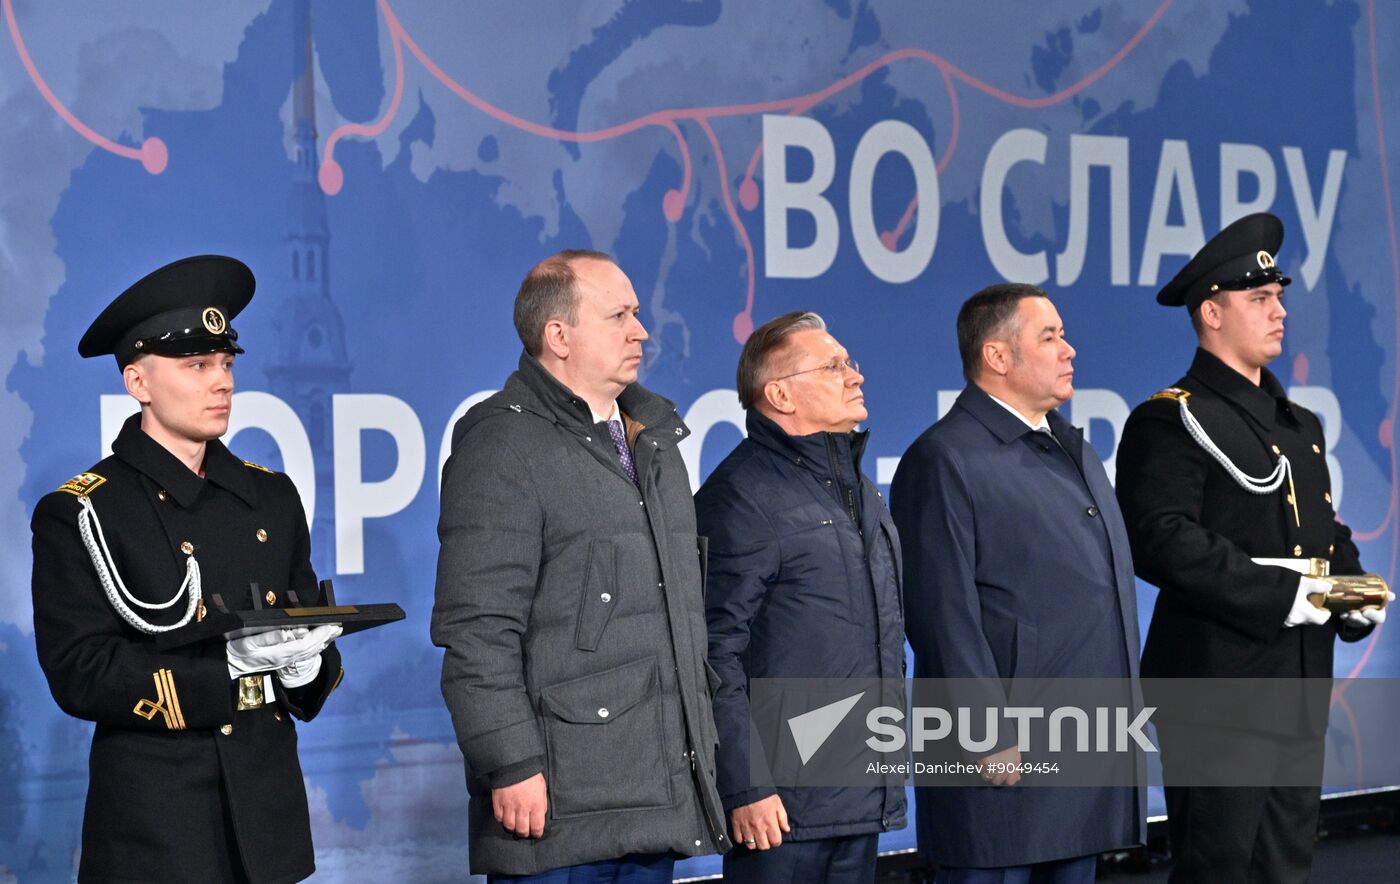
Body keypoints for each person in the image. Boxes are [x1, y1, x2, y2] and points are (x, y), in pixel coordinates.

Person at [30, 255, 344, 884]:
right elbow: (80, 674)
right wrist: (222, 671)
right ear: (137, 383)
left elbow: (308, 636)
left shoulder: (271, 496)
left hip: (269, 826)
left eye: (226, 363)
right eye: (196, 366)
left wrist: (310, 665)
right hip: (157, 831)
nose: (221, 382)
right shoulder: (84, 511)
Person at [431, 249, 728, 881]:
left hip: (656, 801)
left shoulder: (655, 439)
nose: (640, 330)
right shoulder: (502, 443)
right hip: (555, 813)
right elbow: (477, 628)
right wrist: (508, 764)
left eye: (638, 314)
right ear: (558, 336)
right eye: (619, 314)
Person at [1114, 213, 1385, 883]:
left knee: (1285, 864)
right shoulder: (1169, 417)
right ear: (1211, 312)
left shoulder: (1297, 422)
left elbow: (1323, 529)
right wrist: (1294, 596)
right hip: (1217, 685)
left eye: (1280, 296)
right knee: (1218, 866)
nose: (1279, 310)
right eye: (1259, 299)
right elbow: (1161, 539)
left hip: (1295, 683)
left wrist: (1352, 592)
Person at [890, 283, 1143, 882]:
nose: (1069, 350)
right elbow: (940, 612)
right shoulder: (944, 458)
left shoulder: (1071, 448)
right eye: (1049, 336)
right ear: (997, 357)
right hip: (1005, 759)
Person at [695, 312, 906, 884]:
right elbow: (712, 654)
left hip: (860, 794)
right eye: (834, 365)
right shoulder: (740, 496)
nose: (855, 376)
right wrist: (744, 783)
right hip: (781, 812)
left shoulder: (858, 489)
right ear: (780, 394)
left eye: (850, 362)